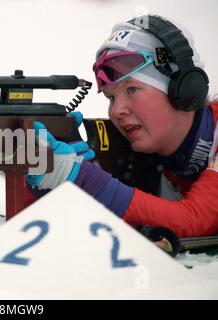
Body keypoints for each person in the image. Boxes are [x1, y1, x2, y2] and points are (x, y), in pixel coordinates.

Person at [26, 15, 218, 238]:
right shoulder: (151, 156)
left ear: (184, 89)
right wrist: (45, 181)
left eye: (132, 90)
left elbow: (194, 220)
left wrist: (85, 178)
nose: (117, 111)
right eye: (110, 98)